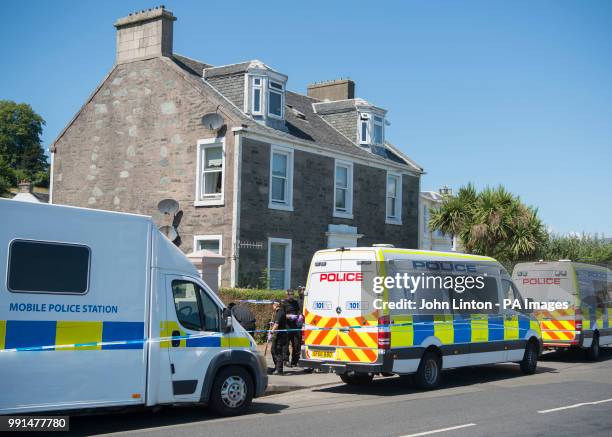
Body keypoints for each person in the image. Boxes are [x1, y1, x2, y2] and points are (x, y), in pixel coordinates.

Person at [283, 289, 302, 367]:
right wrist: (288, 316)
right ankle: (286, 360)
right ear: (286, 294)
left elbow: (298, 311)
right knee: (286, 344)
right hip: (287, 325)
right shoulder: (283, 303)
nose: (291, 296)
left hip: (295, 325)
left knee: (296, 344)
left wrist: (299, 316)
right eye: (290, 294)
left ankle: (295, 361)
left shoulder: (295, 302)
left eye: (292, 294)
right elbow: (281, 314)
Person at [269, 299, 287, 375]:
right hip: (277, 335)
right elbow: (274, 323)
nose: (272, 306)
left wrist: (271, 331)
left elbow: (277, 324)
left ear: (276, 305)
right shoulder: (276, 312)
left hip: (280, 336)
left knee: (278, 351)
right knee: (273, 350)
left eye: (273, 304)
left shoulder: (280, 312)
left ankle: (279, 370)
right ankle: (277, 366)